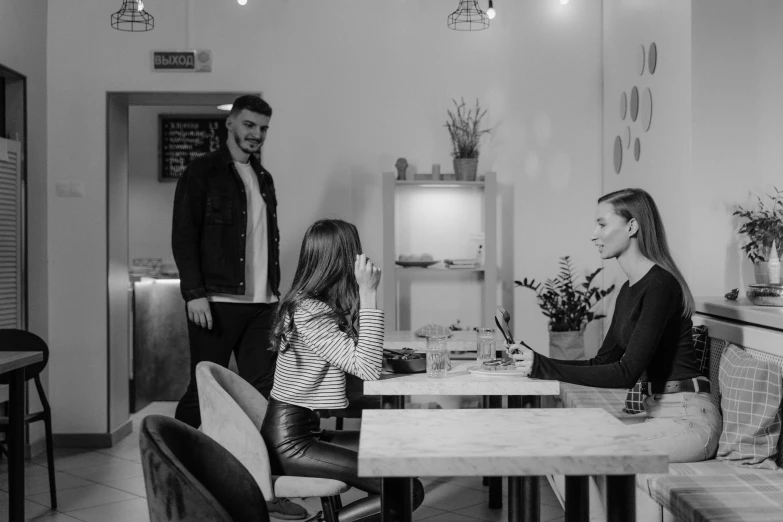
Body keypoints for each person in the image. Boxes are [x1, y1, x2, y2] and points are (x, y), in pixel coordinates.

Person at [510, 188, 722, 463]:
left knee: (583, 448)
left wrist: (542, 367)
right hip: (658, 413)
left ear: (632, 226)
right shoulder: (628, 290)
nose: (593, 234)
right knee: (565, 436)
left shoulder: (660, 285)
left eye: (601, 224)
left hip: (688, 421)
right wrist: (537, 362)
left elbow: (626, 373)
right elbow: (603, 361)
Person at [172, 95, 307, 519]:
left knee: (265, 395)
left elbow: (269, 240)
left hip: (262, 305)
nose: (256, 134)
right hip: (215, 302)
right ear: (231, 123)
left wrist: (276, 292)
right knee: (202, 393)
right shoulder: (202, 172)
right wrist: (194, 293)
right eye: (249, 125)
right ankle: (176, 471)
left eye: (263, 128)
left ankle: (265, 489)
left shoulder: (263, 177)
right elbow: (183, 234)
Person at [261, 219, 425, 522]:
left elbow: (355, 360)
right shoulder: (310, 313)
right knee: (407, 490)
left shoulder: (311, 304)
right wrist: (369, 293)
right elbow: (367, 368)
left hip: (302, 429)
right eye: (354, 253)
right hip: (292, 441)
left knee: (395, 464)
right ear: (341, 260)